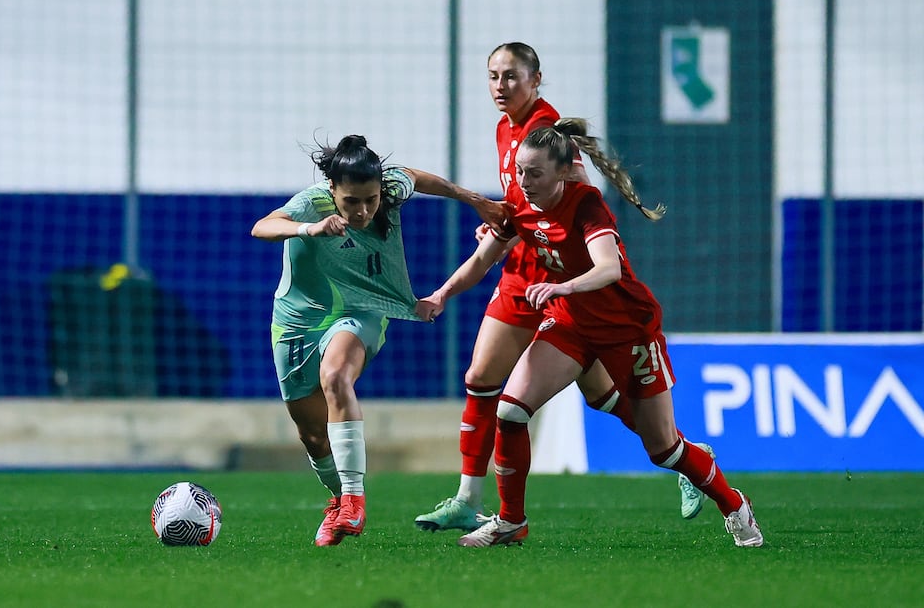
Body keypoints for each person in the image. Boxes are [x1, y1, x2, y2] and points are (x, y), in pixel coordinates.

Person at [416, 119, 764, 548]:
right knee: (510, 412)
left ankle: (734, 503)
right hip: (570, 324)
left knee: (664, 449)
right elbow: (482, 259)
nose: (523, 182)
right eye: (520, 171)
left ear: (564, 172)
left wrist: (562, 285)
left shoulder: (586, 204)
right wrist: (441, 294)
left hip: (628, 330)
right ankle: (510, 522)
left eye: (535, 173)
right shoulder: (518, 203)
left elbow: (608, 268)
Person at [251, 134, 505, 547]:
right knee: (313, 436)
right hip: (297, 322)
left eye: (370, 199)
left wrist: (471, 198)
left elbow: (418, 178)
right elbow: (262, 227)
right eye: (352, 201)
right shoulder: (310, 203)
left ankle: (353, 501)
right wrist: (310, 229)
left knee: (336, 376)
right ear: (332, 190)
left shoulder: (388, 191)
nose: (364, 210)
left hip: (363, 310)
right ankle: (339, 499)